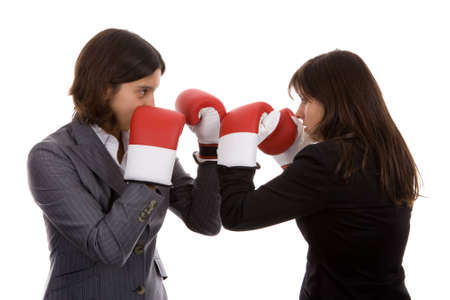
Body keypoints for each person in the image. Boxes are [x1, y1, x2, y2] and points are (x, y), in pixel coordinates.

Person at [27, 28, 224, 300]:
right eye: (143, 91)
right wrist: (152, 165)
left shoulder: (145, 141)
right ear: (104, 90)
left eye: (154, 91)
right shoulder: (51, 157)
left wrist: (209, 150)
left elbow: (205, 222)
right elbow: (108, 247)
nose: (152, 104)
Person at [217, 50, 419, 299]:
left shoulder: (326, 161)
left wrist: (232, 150)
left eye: (306, 100)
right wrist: (293, 157)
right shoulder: (388, 153)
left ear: (334, 102)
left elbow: (236, 214)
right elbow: (339, 210)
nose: (298, 112)